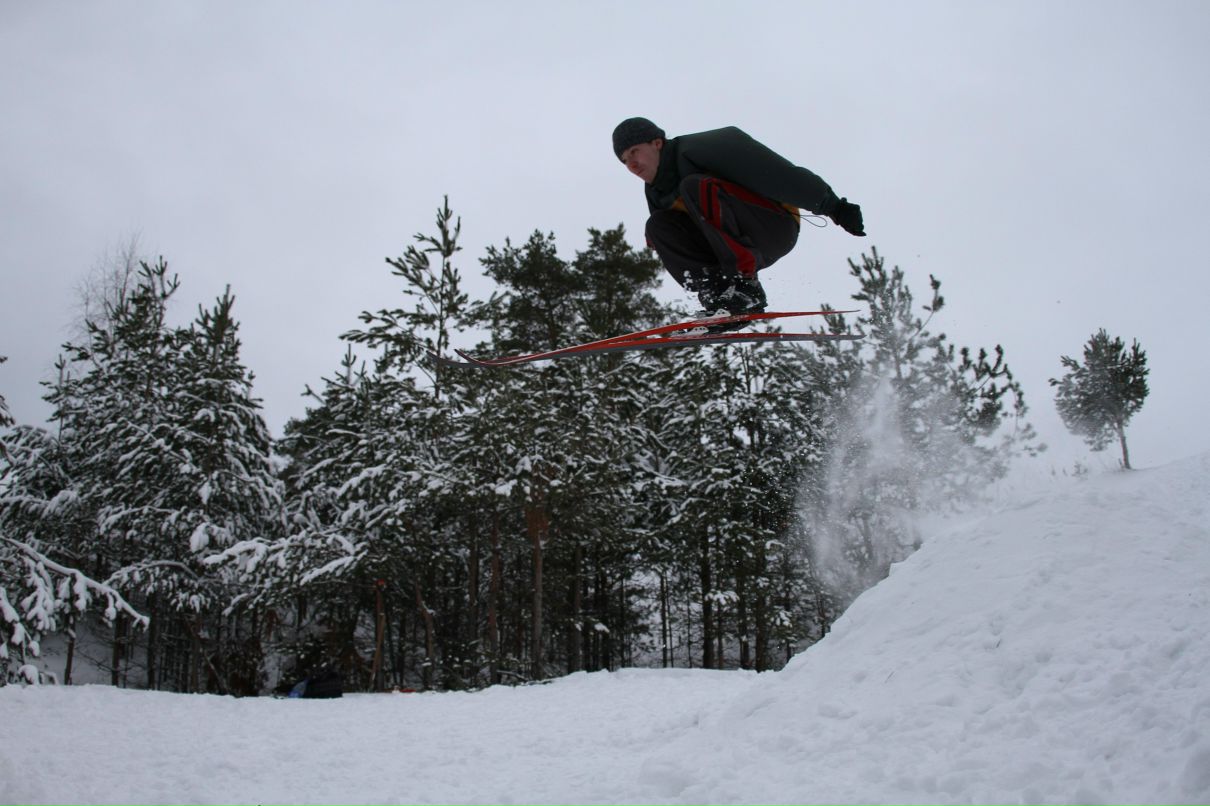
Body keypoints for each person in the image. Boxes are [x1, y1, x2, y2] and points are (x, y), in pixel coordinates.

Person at [612, 117, 865, 321]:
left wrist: (834, 206)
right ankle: (719, 295)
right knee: (657, 227)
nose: (632, 164)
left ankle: (747, 288)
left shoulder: (701, 148)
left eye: (635, 152)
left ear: (657, 142)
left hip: (774, 227)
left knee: (695, 186)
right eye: (624, 161)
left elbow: (777, 172)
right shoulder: (655, 191)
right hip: (736, 248)